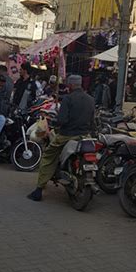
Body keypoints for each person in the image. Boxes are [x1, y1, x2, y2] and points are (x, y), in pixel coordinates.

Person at [28, 74, 95, 202]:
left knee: (48, 156)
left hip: (67, 135)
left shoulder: (68, 99)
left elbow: (62, 120)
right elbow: (92, 121)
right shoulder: (90, 99)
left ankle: (39, 190)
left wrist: (55, 121)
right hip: (85, 135)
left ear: (70, 85)